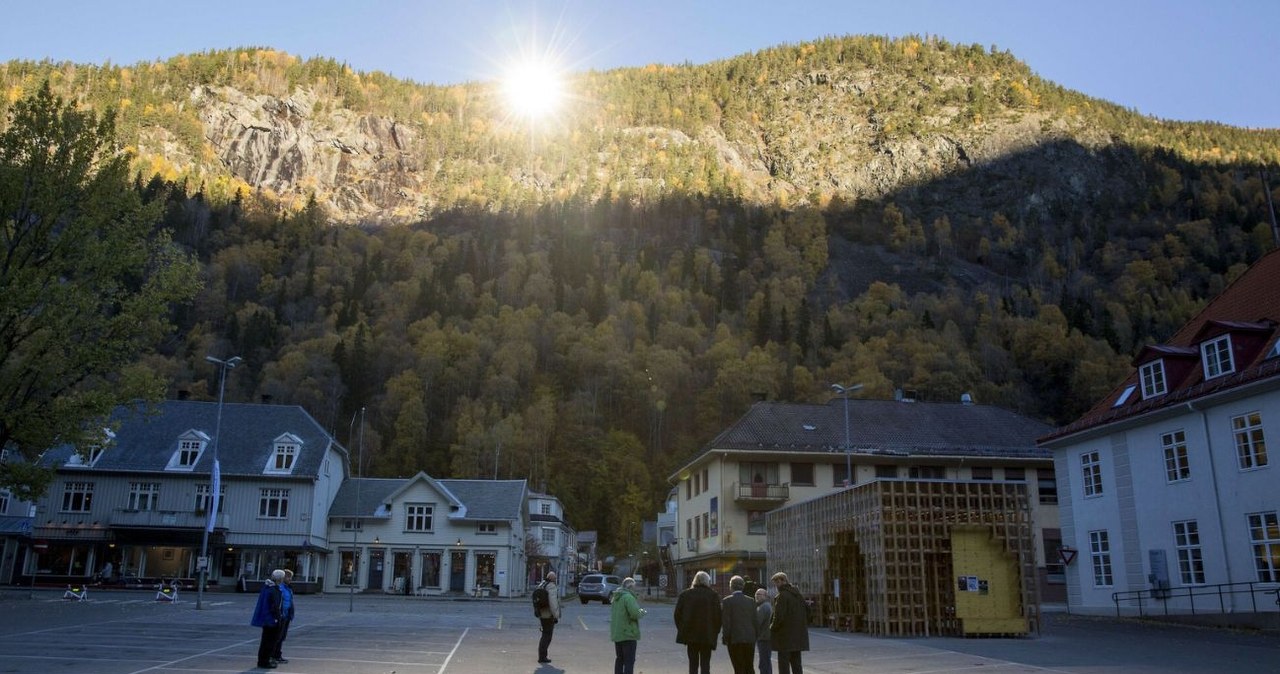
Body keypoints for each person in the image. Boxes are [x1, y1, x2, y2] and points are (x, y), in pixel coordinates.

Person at [674, 570, 721, 674]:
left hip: (690, 635)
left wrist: (682, 629)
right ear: (707, 581)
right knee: (705, 663)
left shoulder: (685, 594)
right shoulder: (713, 595)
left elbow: (677, 615)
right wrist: (715, 631)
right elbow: (718, 616)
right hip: (707, 634)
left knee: (693, 664)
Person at [769, 572, 810, 674]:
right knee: (797, 665)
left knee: (784, 667)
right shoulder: (797, 594)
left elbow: (778, 617)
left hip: (785, 638)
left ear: (784, 581)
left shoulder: (782, 596)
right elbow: (808, 611)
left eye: (777, 582)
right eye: (775, 582)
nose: (776, 585)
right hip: (798, 637)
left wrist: (771, 627)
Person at [610, 577, 647, 674]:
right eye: (634, 586)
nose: (635, 589)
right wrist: (642, 611)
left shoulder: (616, 597)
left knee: (619, 659)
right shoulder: (628, 597)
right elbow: (635, 614)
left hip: (618, 633)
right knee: (629, 661)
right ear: (630, 587)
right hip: (628, 634)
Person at [721, 575, 757, 674]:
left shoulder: (727, 601)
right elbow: (755, 620)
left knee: (738, 667)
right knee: (749, 666)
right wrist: (755, 636)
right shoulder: (751, 600)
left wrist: (725, 638)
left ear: (731, 586)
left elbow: (726, 622)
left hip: (735, 639)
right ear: (743, 586)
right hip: (750, 638)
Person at [250, 569, 286, 669]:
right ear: (280, 579)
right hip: (272, 619)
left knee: (266, 640)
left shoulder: (268, 587)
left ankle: (263, 660)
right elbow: (274, 606)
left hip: (268, 618)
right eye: (282, 578)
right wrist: (276, 618)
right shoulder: (273, 590)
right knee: (270, 641)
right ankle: (265, 661)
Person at [535, 571, 561, 664]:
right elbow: (553, 602)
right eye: (555, 578)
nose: (556, 580)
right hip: (548, 615)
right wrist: (556, 615)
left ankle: (542, 655)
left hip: (542, 613)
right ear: (552, 579)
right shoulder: (551, 586)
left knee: (544, 635)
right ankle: (542, 657)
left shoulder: (542, 584)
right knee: (547, 636)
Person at [271, 569, 296, 665]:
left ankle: (277, 655)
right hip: (281, 616)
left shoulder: (288, 588)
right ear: (282, 578)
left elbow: (289, 602)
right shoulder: (280, 588)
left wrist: (290, 614)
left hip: (286, 616)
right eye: (288, 577)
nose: (290, 579)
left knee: (281, 637)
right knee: (277, 637)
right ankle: (273, 655)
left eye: (291, 577)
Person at [754, 588, 773, 674]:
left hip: (764, 637)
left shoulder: (763, 607)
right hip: (766, 637)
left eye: (759, 594)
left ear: (765, 596)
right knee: (766, 661)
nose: (757, 596)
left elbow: (757, 622)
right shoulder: (766, 605)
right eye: (756, 594)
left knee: (764, 662)